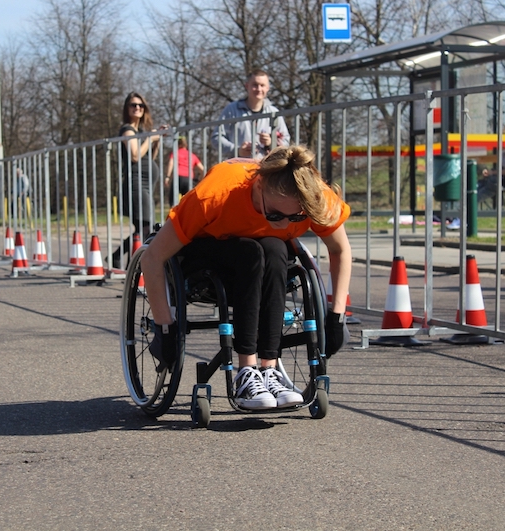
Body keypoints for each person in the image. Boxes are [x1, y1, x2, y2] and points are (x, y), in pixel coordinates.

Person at [140, 145, 352, 410]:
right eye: (275, 215)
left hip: (267, 258)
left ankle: (269, 369)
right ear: (259, 186)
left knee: (275, 247)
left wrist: (336, 317)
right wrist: (165, 327)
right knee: (251, 252)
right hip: (210, 252)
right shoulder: (215, 195)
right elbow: (152, 258)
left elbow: (340, 250)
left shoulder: (314, 195)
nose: (285, 224)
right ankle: (246, 371)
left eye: (296, 217)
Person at [112, 92, 166, 269]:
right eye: (133, 105)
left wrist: (157, 139)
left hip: (146, 186)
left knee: (143, 228)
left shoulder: (141, 132)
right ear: (127, 109)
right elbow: (135, 156)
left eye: (140, 105)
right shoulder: (128, 130)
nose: (137, 108)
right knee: (146, 228)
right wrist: (150, 138)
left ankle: (118, 258)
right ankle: (131, 266)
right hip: (136, 185)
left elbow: (149, 158)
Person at [211, 69, 290, 160]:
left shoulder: (274, 112)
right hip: (238, 165)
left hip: (265, 166)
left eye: (262, 85)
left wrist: (271, 143)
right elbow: (216, 138)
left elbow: (286, 141)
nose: (259, 89)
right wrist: (237, 150)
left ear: (267, 88)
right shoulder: (231, 110)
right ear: (247, 86)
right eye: (255, 85)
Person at [164, 136, 205, 202]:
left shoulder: (175, 153)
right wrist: (201, 179)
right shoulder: (192, 155)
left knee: (173, 201)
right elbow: (202, 169)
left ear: (177, 144)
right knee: (188, 202)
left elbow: (171, 163)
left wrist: (167, 177)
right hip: (189, 179)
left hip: (178, 178)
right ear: (186, 145)